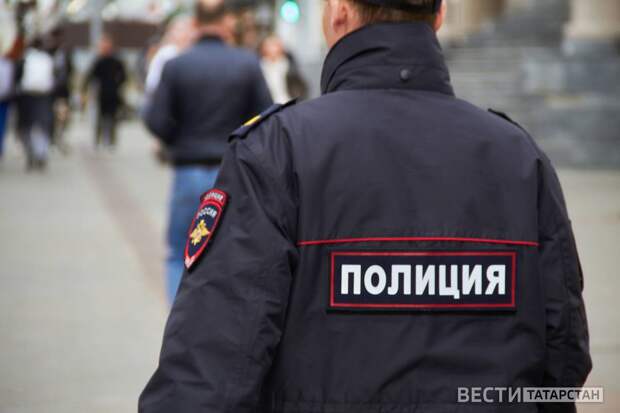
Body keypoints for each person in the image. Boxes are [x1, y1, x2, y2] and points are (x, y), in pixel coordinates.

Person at [140, 0, 591, 412]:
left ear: (339, 10)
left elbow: (208, 373)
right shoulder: (518, 157)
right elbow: (563, 360)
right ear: (439, 16)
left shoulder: (279, 151)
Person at [143, 0, 273, 303]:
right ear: (227, 23)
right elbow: (267, 117)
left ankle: (179, 319)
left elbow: (155, 119)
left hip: (187, 170)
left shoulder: (177, 66)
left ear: (195, 24)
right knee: (231, 252)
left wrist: (177, 140)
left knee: (179, 251)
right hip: (231, 173)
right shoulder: (246, 64)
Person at [15, 37, 55, 171]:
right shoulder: (48, 59)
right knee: (43, 126)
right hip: (44, 96)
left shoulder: (25, 58)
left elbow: (17, 78)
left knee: (25, 127)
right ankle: (41, 154)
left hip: (26, 96)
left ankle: (30, 153)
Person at [82, 34, 127, 149]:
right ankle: (97, 141)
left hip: (113, 94)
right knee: (99, 119)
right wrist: (85, 90)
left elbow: (123, 76)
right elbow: (90, 76)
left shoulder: (116, 60)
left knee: (112, 118)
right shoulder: (98, 61)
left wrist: (117, 84)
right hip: (101, 94)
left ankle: (111, 142)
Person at [259, 34, 308, 103]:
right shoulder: (259, 67)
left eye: (275, 45)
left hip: (289, 103)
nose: (273, 49)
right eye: (269, 45)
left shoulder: (289, 65)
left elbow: (301, 87)